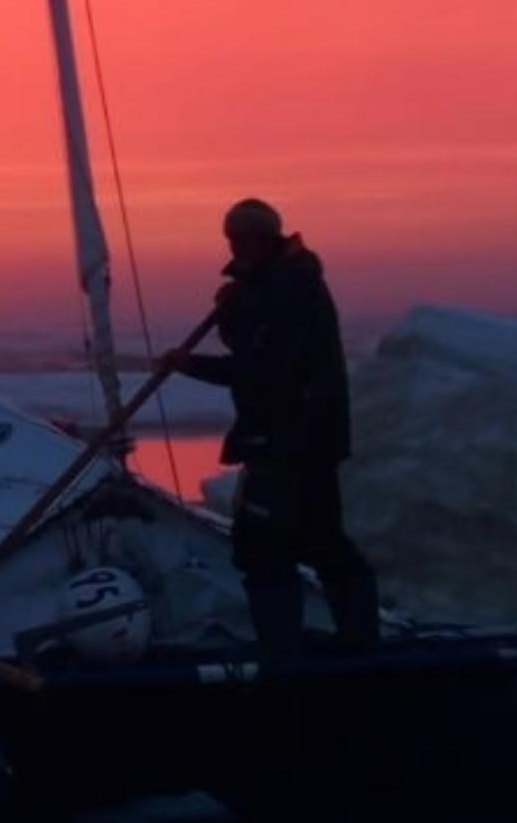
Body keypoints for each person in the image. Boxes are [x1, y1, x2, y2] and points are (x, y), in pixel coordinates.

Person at [163, 198, 380, 655]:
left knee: (265, 547)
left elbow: (264, 367)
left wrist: (192, 363)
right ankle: (353, 642)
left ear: (261, 238)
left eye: (240, 239)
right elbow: (258, 348)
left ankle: (286, 651)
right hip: (306, 439)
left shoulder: (288, 289)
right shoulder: (278, 283)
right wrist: (233, 314)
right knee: (321, 541)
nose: (234, 247)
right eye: (230, 239)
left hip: (289, 440)